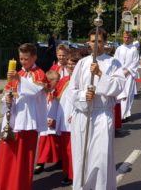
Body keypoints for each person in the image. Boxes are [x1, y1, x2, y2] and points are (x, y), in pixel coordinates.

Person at [69, 28, 126, 190]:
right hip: (83, 115)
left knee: (100, 158)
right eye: (93, 41)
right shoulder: (81, 63)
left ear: (105, 43)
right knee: (82, 157)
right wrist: (83, 96)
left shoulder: (113, 63)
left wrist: (100, 74)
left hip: (101, 114)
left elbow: (118, 86)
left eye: (99, 42)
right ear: (89, 42)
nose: (95, 45)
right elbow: (72, 91)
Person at [0, 43, 49, 190]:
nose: (23, 62)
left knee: (23, 157)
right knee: (8, 154)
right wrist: (7, 99)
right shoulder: (18, 73)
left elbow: (34, 91)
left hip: (28, 121)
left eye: (26, 58)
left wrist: (18, 78)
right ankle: (5, 184)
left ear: (34, 57)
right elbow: (6, 91)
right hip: (13, 121)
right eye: (21, 58)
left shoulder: (40, 74)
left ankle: (20, 185)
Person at [54, 50, 81, 186]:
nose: (70, 66)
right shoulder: (64, 80)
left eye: (74, 64)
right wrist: (52, 117)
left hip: (76, 121)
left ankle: (73, 175)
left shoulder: (82, 81)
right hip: (63, 121)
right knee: (65, 150)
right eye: (69, 64)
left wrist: (76, 113)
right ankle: (67, 172)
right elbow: (56, 101)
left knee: (73, 150)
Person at [34, 70, 61, 175]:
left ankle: (60, 159)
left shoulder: (58, 93)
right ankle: (40, 163)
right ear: (50, 81)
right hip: (45, 122)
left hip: (55, 122)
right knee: (44, 144)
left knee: (57, 143)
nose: (59, 83)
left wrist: (56, 120)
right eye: (57, 81)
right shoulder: (42, 93)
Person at [114, 31, 140, 121]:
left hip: (129, 75)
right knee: (119, 94)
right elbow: (115, 61)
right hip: (119, 74)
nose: (126, 39)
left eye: (128, 37)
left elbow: (135, 62)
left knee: (127, 94)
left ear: (131, 38)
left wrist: (128, 71)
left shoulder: (134, 49)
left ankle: (123, 114)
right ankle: (119, 113)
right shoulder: (119, 48)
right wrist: (117, 71)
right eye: (125, 37)